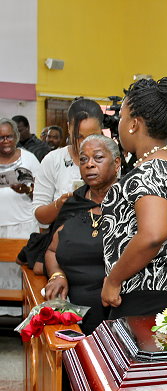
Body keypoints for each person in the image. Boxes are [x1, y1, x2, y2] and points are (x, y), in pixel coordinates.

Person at [101, 75, 167, 318]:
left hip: (151, 291)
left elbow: (153, 235)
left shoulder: (152, 170)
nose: (119, 124)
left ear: (134, 124)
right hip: (166, 285)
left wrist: (114, 279)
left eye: (122, 117)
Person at [44, 135, 120, 334]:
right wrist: (57, 275)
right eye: (84, 159)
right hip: (70, 310)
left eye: (98, 158)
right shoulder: (73, 204)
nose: (89, 165)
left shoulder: (129, 205)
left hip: (116, 310)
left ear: (117, 163)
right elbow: (51, 251)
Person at [33, 98, 104, 227]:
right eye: (79, 136)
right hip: (62, 237)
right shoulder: (53, 160)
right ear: (69, 128)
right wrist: (60, 204)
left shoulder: (111, 161)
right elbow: (39, 215)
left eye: (93, 136)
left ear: (101, 129)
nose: (85, 143)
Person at [0, 118, 40, 318]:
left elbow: (41, 194)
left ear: (16, 137)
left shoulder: (29, 159)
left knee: (21, 269)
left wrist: (27, 190)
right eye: (1, 138)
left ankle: (23, 314)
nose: (5, 141)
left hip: (23, 224)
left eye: (9, 136)